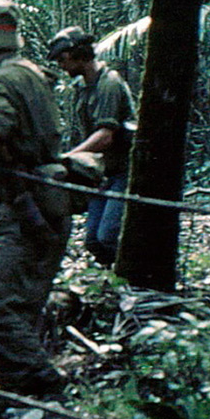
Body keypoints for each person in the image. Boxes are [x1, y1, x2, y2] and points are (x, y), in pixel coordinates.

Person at [0, 0, 71, 397]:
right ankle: (13, 399)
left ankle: (47, 385)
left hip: (27, 207)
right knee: (20, 309)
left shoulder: (4, 80)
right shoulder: (32, 74)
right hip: (45, 202)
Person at [49, 27, 135, 267]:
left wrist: (68, 157)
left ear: (80, 55)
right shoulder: (82, 88)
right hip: (101, 172)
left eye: (63, 60)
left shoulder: (109, 83)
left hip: (122, 171)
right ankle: (111, 282)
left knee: (108, 236)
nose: (61, 66)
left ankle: (130, 280)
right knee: (93, 242)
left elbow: (105, 136)